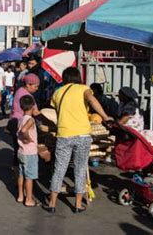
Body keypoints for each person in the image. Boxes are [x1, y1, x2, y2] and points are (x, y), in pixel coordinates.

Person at [46, 67, 111, 214]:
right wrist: (106, 117)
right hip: (82, 134)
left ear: (64, 77)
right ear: (78, 77)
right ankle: (77, 204)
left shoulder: (57, 93)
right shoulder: (84, 89)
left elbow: (59, 113)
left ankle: (52, 203)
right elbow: (92, 99)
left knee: (59, 169)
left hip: (63, 134)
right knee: (80, 169)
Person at [8, 74, 40, 171]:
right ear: (29, 84)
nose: (37, 89)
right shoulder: (27, 95)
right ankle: (23, 171)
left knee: (18, 148)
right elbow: (35, 111)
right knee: (23, 148)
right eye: (36, 86)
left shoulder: (20, 91)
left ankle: (17, 172)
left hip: (14, 121)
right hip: (22, 123)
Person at [16, 95, 39, 207]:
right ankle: (29, 199)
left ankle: (21, 195)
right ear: (33, 107)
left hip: (21, 152)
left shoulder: (21, 119)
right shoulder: (30, 120)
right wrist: (28, 138)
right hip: (30, 153)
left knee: (21, 175)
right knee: (29, 177)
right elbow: (25, 130)